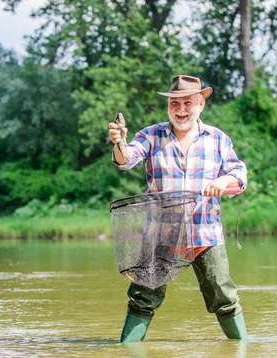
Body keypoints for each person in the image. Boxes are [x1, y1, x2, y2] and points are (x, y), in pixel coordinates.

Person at [108, 75, 248, 343]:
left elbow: (239, 173)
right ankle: (126, 349)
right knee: (143, 297)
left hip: (205, 236)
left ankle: (242, 349)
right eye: (175, 103)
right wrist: (118, 142)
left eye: (188, 103)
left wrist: (223, 180)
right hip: (161, 236)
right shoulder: (151, 135)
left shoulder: (218, 139)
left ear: (201, 105)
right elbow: (126, 160)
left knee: (224, 297)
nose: (181, 109)